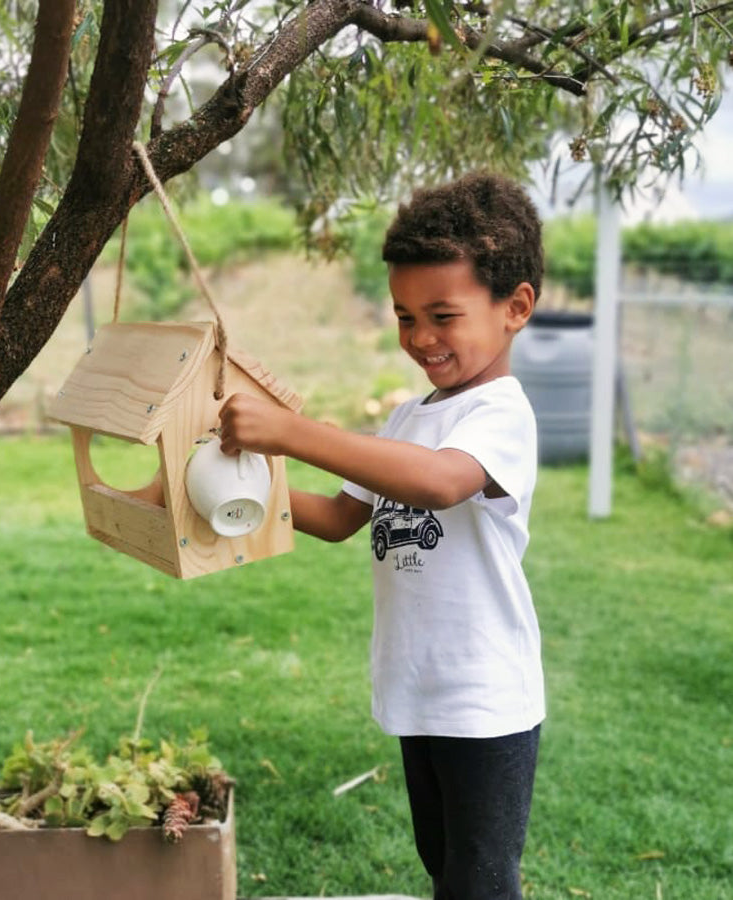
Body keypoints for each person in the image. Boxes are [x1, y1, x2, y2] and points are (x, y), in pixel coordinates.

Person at [218, 171, 545, 900]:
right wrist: (228, 491)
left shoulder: (502, 415)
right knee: (444, 867)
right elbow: (338, 518)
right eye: (404, 316)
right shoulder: (408, 418)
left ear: (515, 306)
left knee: (481, 883)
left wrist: (293, 432)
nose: (420, 338)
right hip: (418, 686)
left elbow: (437, 482)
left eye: (443, 315)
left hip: (485, 697)